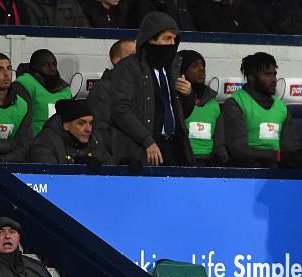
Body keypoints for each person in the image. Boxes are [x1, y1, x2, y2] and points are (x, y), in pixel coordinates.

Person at [110, 11, 195, 166]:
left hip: (175, 148)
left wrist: (188, 95)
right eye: (166, 38)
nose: (172, 43)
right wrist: (146, 140)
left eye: (174, 39)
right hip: (143, 149)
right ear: (150, 38)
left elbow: (183, 114)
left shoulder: (173, 67)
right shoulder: (128, 67)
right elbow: (119, 110)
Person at [223, 52, 298, 168]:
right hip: (246, 170)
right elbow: (238, 149)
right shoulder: (235, 103)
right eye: (267, 74)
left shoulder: (281, 107)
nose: (274, 80)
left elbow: (289, 148)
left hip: (276, 170)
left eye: (274, 74)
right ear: (251, 77)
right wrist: (275, 156)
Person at [178, 50, 228, 166]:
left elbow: (219, 141)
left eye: (203, 65)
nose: (202, 69)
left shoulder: (213, 104)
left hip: (209, 163)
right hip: (181, 162)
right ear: (182, 70)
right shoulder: (174, 102)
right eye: (194, 66)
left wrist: (219, 159)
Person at [87, 39, 136, 154]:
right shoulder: (102, 89)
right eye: (133, 55)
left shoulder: (142, 86)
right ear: (117, 61)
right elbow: (100, 131)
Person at [30, 98, 110, 165]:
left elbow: (111, 174)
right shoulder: (46, 142)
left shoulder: (95, 139)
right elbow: (49, 178)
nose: (88, 129)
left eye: (91, 123)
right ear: (66, 125)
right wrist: (75, 166)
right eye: (81, 123)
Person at [15, 49, 71, 136]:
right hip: (35, 142)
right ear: (34, 67)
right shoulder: (25, 83)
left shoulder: (65, 88)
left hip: (60, 141)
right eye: (45, 64)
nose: (52, 68)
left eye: (54, 64)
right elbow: (23, 122)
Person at [0, 53, 33, 163]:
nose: (6, 74)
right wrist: (9, 144)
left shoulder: (22, 105)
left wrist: (0, 160)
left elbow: (24, 146)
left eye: (9, 69)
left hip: (9, 166)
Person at [21, 0, 89, 27]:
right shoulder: (24, 5)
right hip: (41, 54)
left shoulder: (72, 3)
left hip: (72, 52)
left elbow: (86, 33)